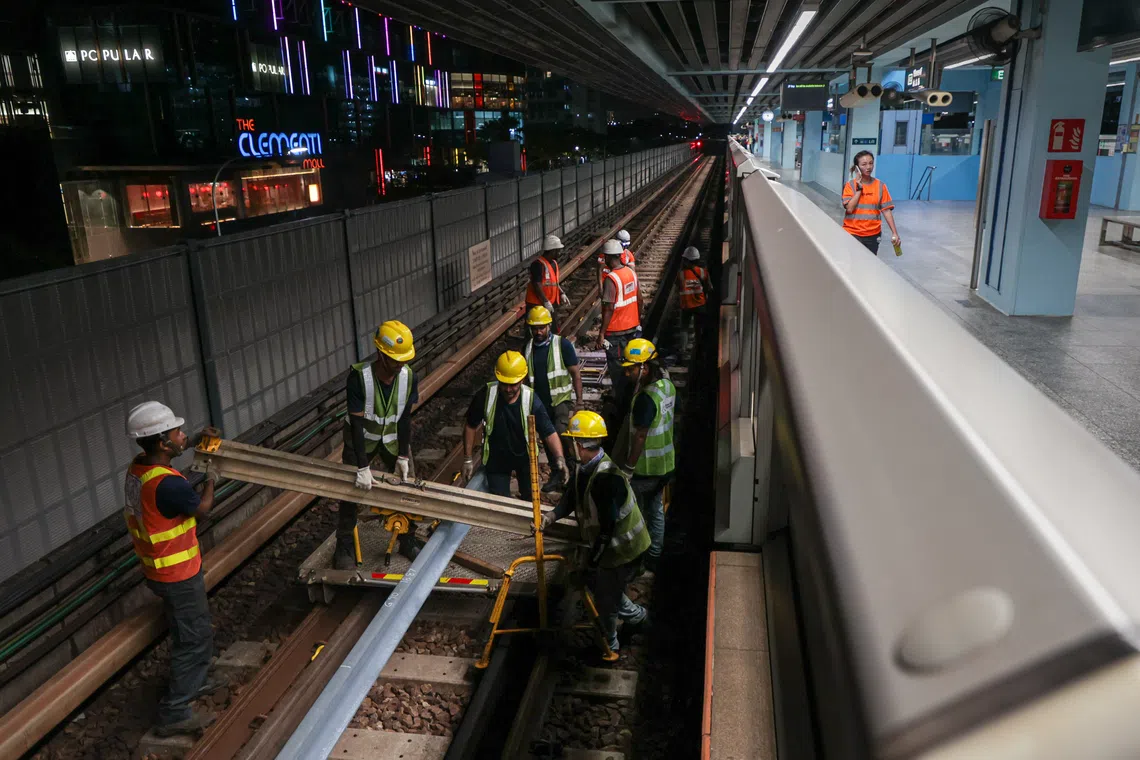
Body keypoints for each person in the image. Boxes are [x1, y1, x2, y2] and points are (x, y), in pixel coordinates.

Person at [125, 402, 223, 737]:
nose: (184, 435)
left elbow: (167, 458)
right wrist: (211, 478)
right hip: (177, 574)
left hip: (159, 570)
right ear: (164, 444)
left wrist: (195, 439)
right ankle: (175, 710)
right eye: (178, 433)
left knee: (190, 630)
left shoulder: (140, 468)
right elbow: (203, 510)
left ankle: (197, 681)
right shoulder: (168, 485)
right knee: (193, 638)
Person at [539, 411, 650, 653]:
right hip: (612, 546)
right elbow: (572, 497)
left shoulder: (606, 480)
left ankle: (610, 646)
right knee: (604, 587)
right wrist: (552, 515)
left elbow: (607, 529)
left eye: (572, 442)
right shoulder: (587, 466)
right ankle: (637, 616)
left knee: (606, 599)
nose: (569, 447)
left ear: (580, 446)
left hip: (624, 549)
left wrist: (593, 562)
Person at [338, 320, 419, 569]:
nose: (401, 364)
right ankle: (344, 546)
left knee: (407, 487)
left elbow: (404, 419)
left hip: (393, 440)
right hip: (361, 440)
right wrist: (362, 467)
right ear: (380, 355)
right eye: (396, 359)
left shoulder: (408, 377)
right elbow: (357, 424)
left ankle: (408, 539)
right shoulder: (358, 378)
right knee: (349, 492)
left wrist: (403, 456)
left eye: (404, 359)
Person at [462, 350, 569, 498]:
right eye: (504, 384)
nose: (508, 389)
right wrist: (467, 459)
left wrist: (559, 457)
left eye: (513, 385)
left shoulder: (531, 400)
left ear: (522, 380)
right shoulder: (486, 395)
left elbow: (548, 432)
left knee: (530, 500)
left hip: (525, 458)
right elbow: (470, 426)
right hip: (497, 459)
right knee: (500, 503)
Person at [617, 339, 674, 572]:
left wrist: (628, 468)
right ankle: (655, 554)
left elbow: (640, 436)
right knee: (656, 509)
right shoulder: (667, 387)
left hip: (646, 469)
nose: (627, 373)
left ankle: (637, 559)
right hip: (666, 463)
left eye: (632, 368)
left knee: (635, 515)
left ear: (645, 368)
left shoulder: (645, 399)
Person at [523, 305, 584, 488]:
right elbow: (526, 377)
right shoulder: (527, 349)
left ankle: (572, 471)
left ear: (549, 326)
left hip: (560, 400)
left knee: (560, 432)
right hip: (540, 403)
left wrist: (579, 401)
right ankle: (557, 473)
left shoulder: (562, 345)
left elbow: (575, 373)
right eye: (535, 328)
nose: (538, 331)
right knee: (546, 437)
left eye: (541, 327)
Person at [594, 239, 642, 396]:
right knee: (631, 360)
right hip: (632, 328)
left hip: (614, 334)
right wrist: (638, 320)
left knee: (615, 362)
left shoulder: (611, 279)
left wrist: (601, 334)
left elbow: (608, 308)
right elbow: (639, 299)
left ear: (608, 257)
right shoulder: (631, 274)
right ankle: (632, 390)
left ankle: (621, 395)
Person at [841, 151, 900, 255]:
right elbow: (849, 209)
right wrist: (859, 189)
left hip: (873, 235)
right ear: (857, 168)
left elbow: (886, 210)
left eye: (871, 163)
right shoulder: (850, 186)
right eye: (864, 164)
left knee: (869, 265)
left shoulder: (880, 186)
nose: (868, 167)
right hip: (852, 233)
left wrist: (894, 233)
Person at [526, 234, 570, 330]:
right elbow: (537, 285)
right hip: (537, 305)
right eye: (558, 250)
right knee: (536, 332)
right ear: (553, 250)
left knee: (551, 330)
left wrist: (561, 293)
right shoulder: (537, 265)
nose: (559, 253)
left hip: (548, 303)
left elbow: (554, 283)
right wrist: (546, 301)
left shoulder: (553, 263)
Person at [676, 246, 712, 355]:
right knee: (699, 328)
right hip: (700, 305)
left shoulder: (681, 274)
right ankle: (700, 350)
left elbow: (678, 287)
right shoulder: (702, 272)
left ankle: (683, 350)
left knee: (684, 329)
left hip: (686, 305)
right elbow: (710, 287)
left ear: (686, 260)